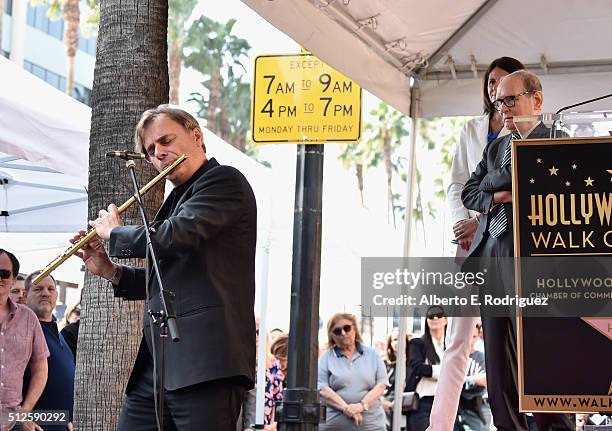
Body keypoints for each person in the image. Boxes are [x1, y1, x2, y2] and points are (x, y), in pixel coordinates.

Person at [72, 105, 257, 430]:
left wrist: (116, 233)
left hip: (207, 364)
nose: (158, 153)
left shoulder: (224, 182)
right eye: (150, 150)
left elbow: (175, 235)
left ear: (196, 136)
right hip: (157, 368)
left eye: (166, 141)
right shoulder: (176, 200)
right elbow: (168, 277)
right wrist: (109, 269)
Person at [462, 70, 573, 431]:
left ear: (536, 100)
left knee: (546, 363)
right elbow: (469, 193)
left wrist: (501, 183)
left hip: (538, 267)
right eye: (498, 102)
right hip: (493, 261)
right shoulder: (495, 147)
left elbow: (543, 184)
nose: (503, 109)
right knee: (499, 370)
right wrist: (499, 194)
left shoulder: (558, 141)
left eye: (511, 100)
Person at [428, 56, 525, 431]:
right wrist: (460, 222)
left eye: (501, 83)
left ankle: (518, 418)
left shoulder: (523, 131)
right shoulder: (471, 129)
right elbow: (458, 184)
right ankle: (438, 425)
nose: (494, 90)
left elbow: (510, 192)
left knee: (512, 344)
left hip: (504, 245)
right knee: (458, 339)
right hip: (469, 246)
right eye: (489, 83)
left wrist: (478, 218)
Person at [0, 249, 49, 431]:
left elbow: (41, 369)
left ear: (13, 279)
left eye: (4, 274)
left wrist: (25, 412)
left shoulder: (28, 318)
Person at [23, 271, 75, 431]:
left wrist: (67, 419)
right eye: (38, 289)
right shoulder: (21, 332)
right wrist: (20, 419)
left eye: (51, 289)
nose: (45, 293)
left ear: (57, 295)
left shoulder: (59, 334)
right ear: (25, 295)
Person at [318, 313, 388, 430]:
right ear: (332, 336)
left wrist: (361, 406)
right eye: (337, 331)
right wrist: (346, 408)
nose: (343, 333)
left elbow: (381, 384)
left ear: (354, 328)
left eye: (347, 328)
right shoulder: (326, 358)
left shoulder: (372, 354)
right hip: (335, 424)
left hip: (372, 424)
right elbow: (322, 388)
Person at [406, 306, 448, 431]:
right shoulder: (417, 343)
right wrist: (445, 372)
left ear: (446, 320)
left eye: (439, 315)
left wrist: (432, 371)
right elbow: (418, 367)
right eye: (431, 315)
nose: (435, 318)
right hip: (424, 403)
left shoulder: (452, 345)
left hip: (447, 402)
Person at [455, 323, 487, 431]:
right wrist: (474, 380)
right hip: (455, 409)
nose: (470, 340)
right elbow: (453, 382)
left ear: (478, 336)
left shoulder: (481, 357)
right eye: (468, 336)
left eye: (474, 337)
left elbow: (482, 384)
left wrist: (464, 381)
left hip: (474, 409)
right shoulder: (455, 356)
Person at [381, 328, 411, 431]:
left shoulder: (412, 363)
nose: (398, 342)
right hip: (387, 406)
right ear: (390, 343)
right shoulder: (384, 363)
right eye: (394, 339)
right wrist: (387, 404)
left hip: (407, 406)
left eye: (400, 338)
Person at [264, 334, 289, 431]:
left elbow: (278, 400)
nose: (278, 362)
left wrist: (274, 424)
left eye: (281, 359)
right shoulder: (280, 373)